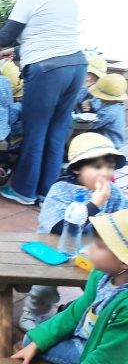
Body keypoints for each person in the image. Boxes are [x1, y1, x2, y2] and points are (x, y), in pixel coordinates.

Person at [0, 0, 88, 205]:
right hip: (76, 66)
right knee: (57, 132)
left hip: (47, 71)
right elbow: (51, 36)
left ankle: (24, 191)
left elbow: (4, 37)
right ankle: (47, 193)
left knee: (35, 131)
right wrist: (16, 52)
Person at [19, 133, 128, 332]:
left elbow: (122, 219)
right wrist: (95, 205)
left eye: (110, 167)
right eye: (98, 167)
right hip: (53, 249)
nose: (105, 173)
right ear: (77, 168)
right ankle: (33, 311)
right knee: (45, 285)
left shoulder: (113, 193)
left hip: (93, 252)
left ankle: (88, 312)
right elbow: (58, 227)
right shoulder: (61, 189)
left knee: (105, 282)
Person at [11, 208, 128, 364]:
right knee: (32, 340)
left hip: (98, 348)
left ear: (124, 262)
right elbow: (76, 311)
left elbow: (108, 357)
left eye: (99, 246)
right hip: (89, 335)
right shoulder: (100, 276)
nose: (87, 250)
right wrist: (38, 341)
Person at [87, 73, 127, 148]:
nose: (98, 97)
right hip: (113, 142)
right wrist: (90, 102)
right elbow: (97, 104)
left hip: (110, 146)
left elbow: (92, 125)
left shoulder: (109, 111)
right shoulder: (117, 106)